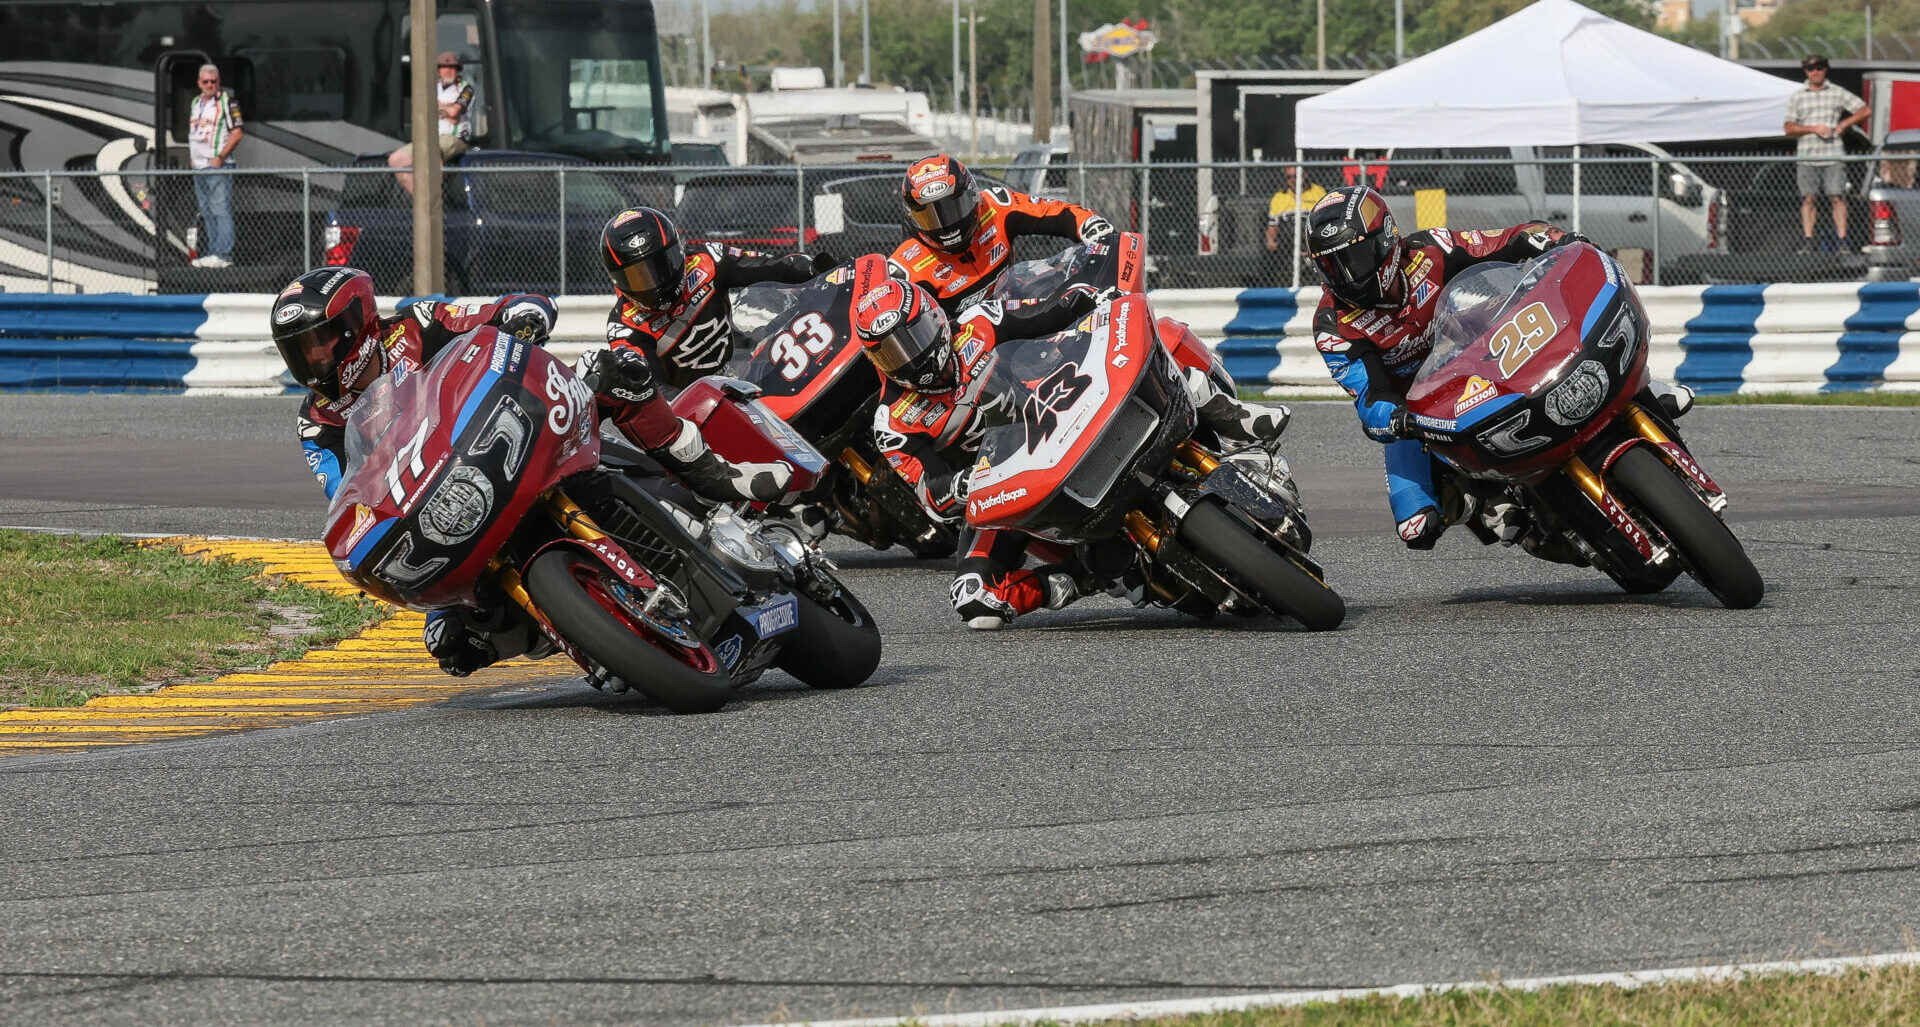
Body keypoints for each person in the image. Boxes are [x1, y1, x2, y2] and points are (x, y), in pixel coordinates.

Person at [271, 266, 788, 675]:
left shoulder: (415, 324)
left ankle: (716, 478)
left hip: (519, 429)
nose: (310, 361)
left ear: (354, 326)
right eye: (298, 351)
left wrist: (522, 318)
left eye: (318, 343)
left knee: (615, 371)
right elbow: (350, 497)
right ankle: (578, 629)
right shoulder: (316, 425)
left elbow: (513, 307)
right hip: (450, 500)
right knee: (450, 643)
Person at [853, 264, 1290, 630]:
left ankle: (1231, 417)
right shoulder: (893, 422)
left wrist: (1096, 299)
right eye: (892, 354)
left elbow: (1054, 310)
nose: (910, 357)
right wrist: (962, 485)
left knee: (1165, 332)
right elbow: (931, 492)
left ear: (933, 316)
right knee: (975, 601)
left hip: (1066, 402)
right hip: (1013, 478)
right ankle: (1085, 577)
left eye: (913, 337)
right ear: (877, 363)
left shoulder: (981, 323)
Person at [1305, 185, 1693, 553]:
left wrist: (1557, 240)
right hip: (1426, 411)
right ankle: (1486, 508)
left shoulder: (1431, 249)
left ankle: (1637, 389)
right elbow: (1369, 397)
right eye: (1331, 266)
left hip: (1485, 356)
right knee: (1415, 525)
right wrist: (1396, 420)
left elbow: (1508, 239)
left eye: (1353, 259)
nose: (1347, 275)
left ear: (1386, 239)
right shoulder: (1333, 325)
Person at [601, 206, 834, 390]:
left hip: (749, 369)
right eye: (638, 276)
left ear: (677, 251)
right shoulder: (624, 327)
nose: (655, 282)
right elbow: (653, 390)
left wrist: (815, 267)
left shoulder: (706, 260)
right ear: (617, 281)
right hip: (701, 408)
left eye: (662, 265)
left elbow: (771, 265)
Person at [886, 153, 1116, 315]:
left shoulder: (995, 205)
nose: (946, 225)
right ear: (912, 217)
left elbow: (1052, 211)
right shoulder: (904, 269)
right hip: (970, 354)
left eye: (953, 209)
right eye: (930, 216)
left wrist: (1089, 224)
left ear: (972, 195)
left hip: (1021, 314)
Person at [1784, 55, 1870, 254]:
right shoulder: (1798, 96)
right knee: (1808, 199)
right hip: (1807, 155)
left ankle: (1842, 241)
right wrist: (1813, 129)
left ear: (1826, 69)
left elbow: (1864, 110)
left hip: (1833, 154)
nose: (1815, 72)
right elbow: (1789, 127)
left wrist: (1843, 125)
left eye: (1819, 67)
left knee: (1837, 197)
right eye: (1811, 68)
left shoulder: (1837, 92)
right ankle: (1808, 240)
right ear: (1805, 71)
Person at [389, 52, 476, 196]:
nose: (448, 70)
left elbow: (454, 113)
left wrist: (437, 108)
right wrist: (445, 109)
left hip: (455, 137)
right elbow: (420, 111)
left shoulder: (466, 89)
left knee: (432, 150)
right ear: (438, 70)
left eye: (452, 67)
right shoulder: (430, 88)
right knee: (395, 160)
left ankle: (436, 200)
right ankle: (424, 201)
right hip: (430, 137)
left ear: (457, 70)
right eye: (443, 67)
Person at [187, 64, 242, 269]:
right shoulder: (196, 102)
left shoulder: (228, 101)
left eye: (214, 81)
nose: (210, 85)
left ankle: (224, 254)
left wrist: (221, 156)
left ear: (219, 83)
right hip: (199, 166)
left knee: (220, 208)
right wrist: (192, 159)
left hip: (218, 165)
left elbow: (237, 132)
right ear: (199, 83)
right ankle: (212, 252)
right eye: (205, 81)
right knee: (206, 210)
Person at [1264, 165, 1327, 255]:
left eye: (1296, 176)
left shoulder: (1318, 192)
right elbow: (1272, 226)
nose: (1293, 180)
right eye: (1289, 177)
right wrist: (1270, 241)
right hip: (1287, 241)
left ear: (1304, 175)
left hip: (1311, 236)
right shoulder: (1279, 196)